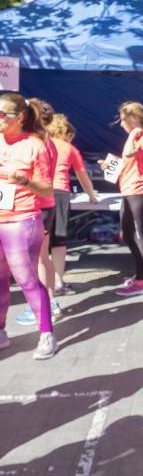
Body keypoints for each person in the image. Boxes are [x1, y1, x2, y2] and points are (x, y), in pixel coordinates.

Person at [0, 93, 56, 359]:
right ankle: (1, 331)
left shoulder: (34, 145)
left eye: (3, 114)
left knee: (26, 279)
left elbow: (46, 189)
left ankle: (46, 332)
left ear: (19, 117)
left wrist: (25, 181)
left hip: (21, 220)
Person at [100, 101, 143, 297]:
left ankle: (142, 281)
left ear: (134, 118)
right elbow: (127, 160)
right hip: (129, 191)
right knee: (127, 234)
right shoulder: (138, 137)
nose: (121, 124)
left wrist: (135, 132)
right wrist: (110, 165)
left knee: (138, 234)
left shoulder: (142, 137)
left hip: (137, 192)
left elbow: (129, 153)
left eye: (123, 119)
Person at [14, 98, 61, 327]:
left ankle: (43, 306)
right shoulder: (46, 141)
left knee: (34, 261)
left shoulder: (36, 142)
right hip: (44, 204)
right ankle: (49, 302)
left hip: (37, 206)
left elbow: (40, 180)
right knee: (42, 258)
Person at [46, 114, 98, 295]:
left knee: (42, 242)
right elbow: (83, 176)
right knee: (59, 241)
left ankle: (44, 285)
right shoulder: (69, 148)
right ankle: (59, 281)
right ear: (66, 132)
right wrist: (92, 195)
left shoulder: (40, 143)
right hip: (60, 193)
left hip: (39, 192)